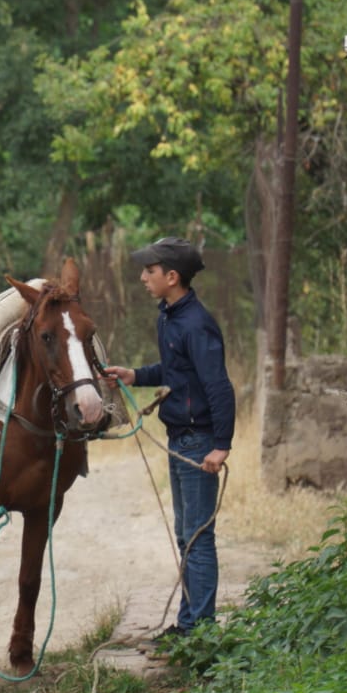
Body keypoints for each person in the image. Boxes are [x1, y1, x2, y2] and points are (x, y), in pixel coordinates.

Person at [102, 236, 236, 647]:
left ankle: (200, 634)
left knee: (197, 537)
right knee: (185, 536)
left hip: (199, 442)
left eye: (150, 271)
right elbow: (176, 369)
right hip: (179, 438)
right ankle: (188, 624)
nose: (143, 278)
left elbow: (218, 386)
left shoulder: (196, 323)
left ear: (172, 277)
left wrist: (221, 444)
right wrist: (135, 375)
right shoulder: (169, 317)